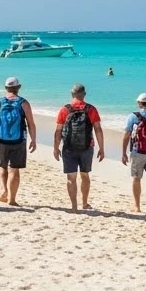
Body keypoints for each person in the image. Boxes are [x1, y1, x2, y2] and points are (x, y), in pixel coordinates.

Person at [0, 77, 37, 207]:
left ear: (6, 88)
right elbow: (31, 124)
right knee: (14, 170)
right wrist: (33, 140)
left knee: (3, 166)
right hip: (19, 140)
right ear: (19, 87)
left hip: (2, 140)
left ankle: (4, 189)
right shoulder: (24, 103)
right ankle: (12, 199)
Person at [53, 84, 105, 212]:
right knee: (85, 175)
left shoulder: (65, 110)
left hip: (68, 148)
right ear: (84, 94)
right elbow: (98, 129)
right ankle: (85, 203)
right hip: (87, 147)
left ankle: (74, 206)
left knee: (71, 178)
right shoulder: (91, 109)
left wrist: (55, 148)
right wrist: (101, 148)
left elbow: (58, 131)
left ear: (72, 94)